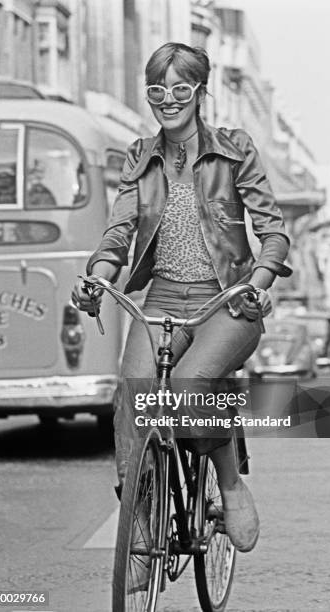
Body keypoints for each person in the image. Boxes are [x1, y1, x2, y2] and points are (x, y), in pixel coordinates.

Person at [72, 42, 291, 553]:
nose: (167, 99)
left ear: (199, 91)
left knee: (190, 387)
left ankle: (230, 484)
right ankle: (142, 521)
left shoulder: (235, 148)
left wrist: (257, 286)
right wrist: (98, 277)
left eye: (179, 88)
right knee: (133, 396)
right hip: (161, 298)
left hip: (227, 300)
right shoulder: (139, 155)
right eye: (156, 89)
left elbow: (274, 233)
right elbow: (118, 230)